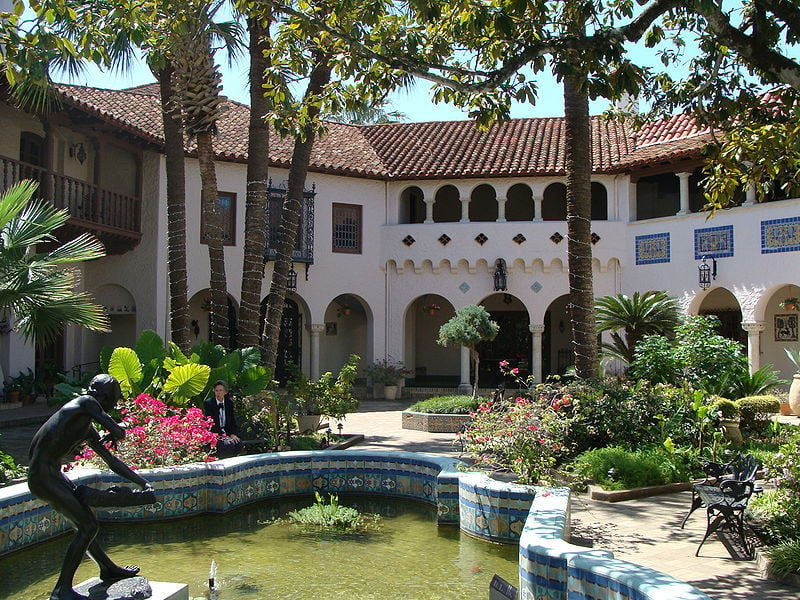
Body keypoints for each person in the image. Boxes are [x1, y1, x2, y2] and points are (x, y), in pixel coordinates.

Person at [28, 374, 154, 600]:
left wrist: (142, 482)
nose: (113, 405)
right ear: (104, 396)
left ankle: (107, 569)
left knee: (85, 524)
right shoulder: (86, 402)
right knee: (87, 526)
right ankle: (61, 590)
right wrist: (116, 429)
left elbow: (112, 462)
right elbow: (120, 432)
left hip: (51, 475)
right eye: (113, 400)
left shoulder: (85, 425)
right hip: (43, 478)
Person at [203, 380, 243, 458]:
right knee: (227, 445)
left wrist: (233, 434)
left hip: (227, 431)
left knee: (238, 443)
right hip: (215, 433)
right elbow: (211, 424)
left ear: (225, 392)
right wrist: (224, 436)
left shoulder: (229, 403)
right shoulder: (208, 403)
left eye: (221, 390)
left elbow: (232, 421)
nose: (218, 393)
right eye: (216, 391)